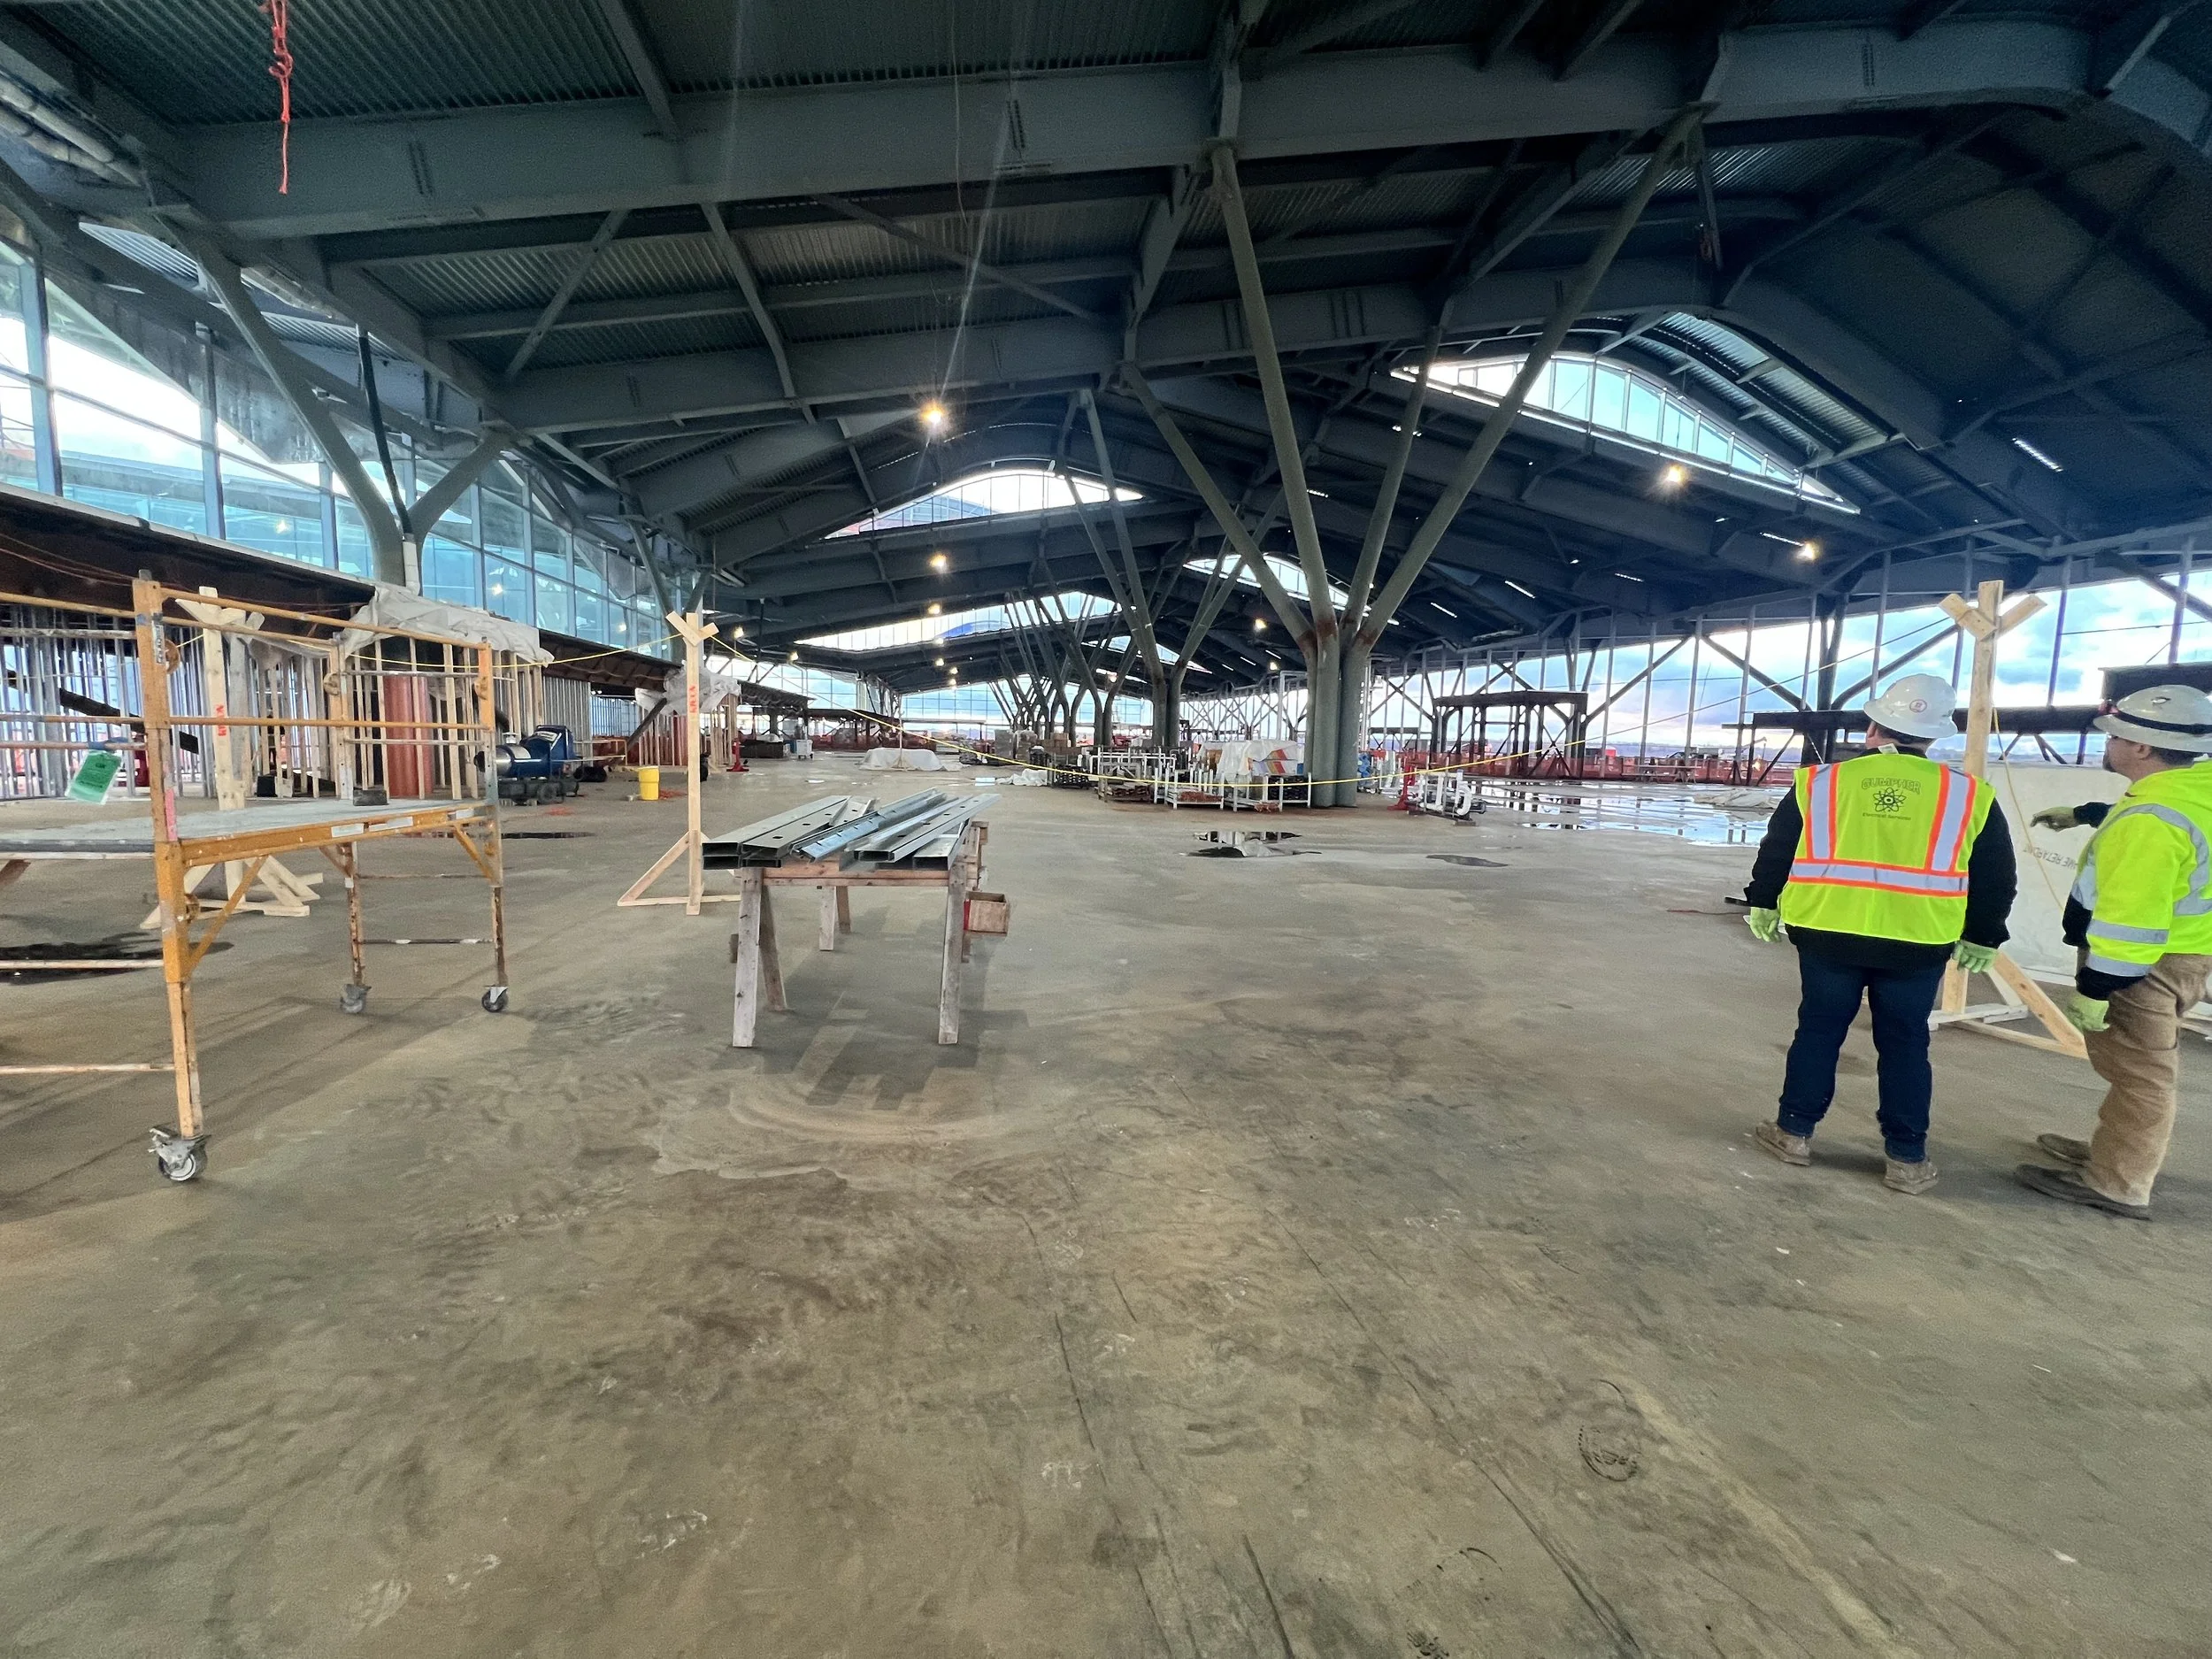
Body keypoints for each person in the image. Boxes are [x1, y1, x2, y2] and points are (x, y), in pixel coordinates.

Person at [1742, 674, 2017, 1193]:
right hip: (1918, 941)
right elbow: (1996, 873)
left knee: (1819, 1031)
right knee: (1907, 1043)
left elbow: (1778, 848)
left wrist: (1763, 899)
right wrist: (1984, 934)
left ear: (1873, 728)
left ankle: (1793, 1132)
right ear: (1933, 737)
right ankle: (1906, 1158)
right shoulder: (1970, 795)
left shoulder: (1820, 782)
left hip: (1828, 932)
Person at [2016, 685, 2212, 1220]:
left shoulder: (2151, 821)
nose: (2110, 745)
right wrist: (2088, 813)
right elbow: (2177, 834)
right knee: (2138, 1069)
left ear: (2143, 748)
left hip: (2147, 966)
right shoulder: (2192, 790)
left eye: (2117, 736)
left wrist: (2100, 986)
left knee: (2141, 1073)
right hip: (2190, 954)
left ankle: (2118, 1182)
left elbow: (2133, 921)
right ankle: (2118, 1151)